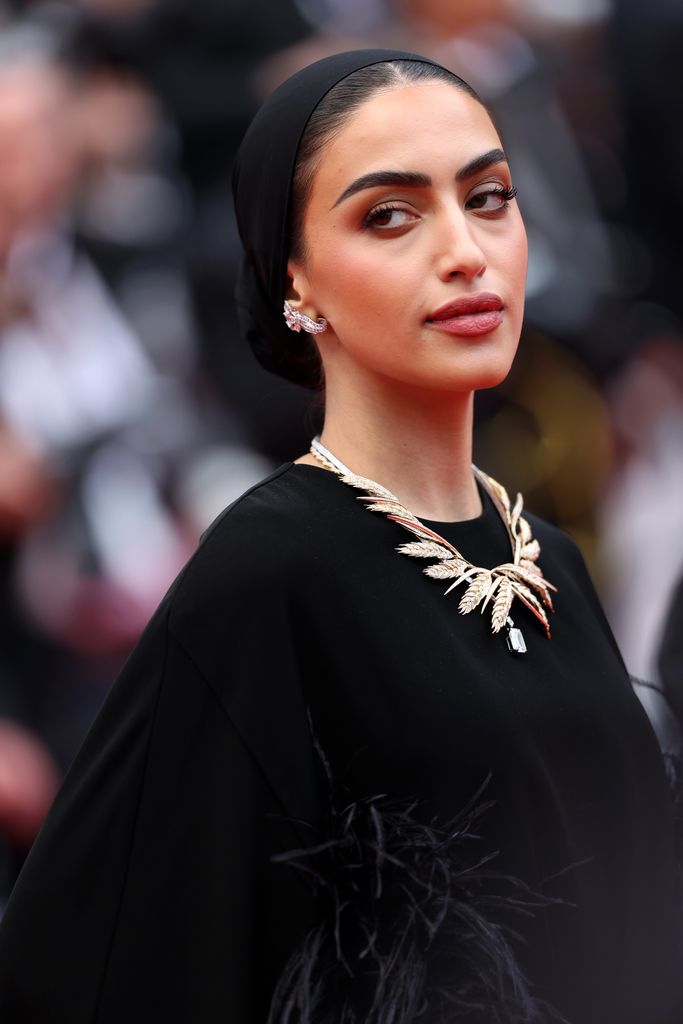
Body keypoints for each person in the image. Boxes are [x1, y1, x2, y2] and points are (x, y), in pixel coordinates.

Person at [0, 48, 681, 1024]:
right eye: (389, 215)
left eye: (487, 197)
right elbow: (86, 958)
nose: (464, 249)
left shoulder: (551, 562)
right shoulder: (269, 569)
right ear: (295, 279)